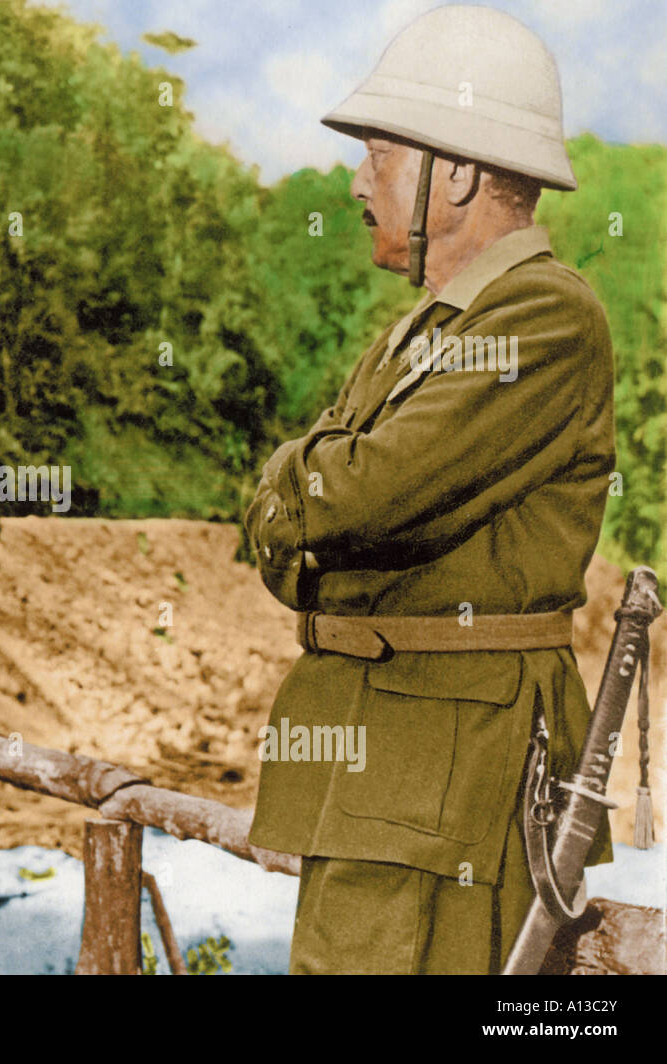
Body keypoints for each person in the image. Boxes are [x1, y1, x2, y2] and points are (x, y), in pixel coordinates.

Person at [244, 6, 615, 974]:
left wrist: (303, 480)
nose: (356, 181)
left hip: (445, 784)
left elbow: (352, 498)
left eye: (378, 154)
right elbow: (301, 521)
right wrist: (306, 491)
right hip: (390, 770)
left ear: (454, 175)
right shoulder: (425, 329)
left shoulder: (543, 314)